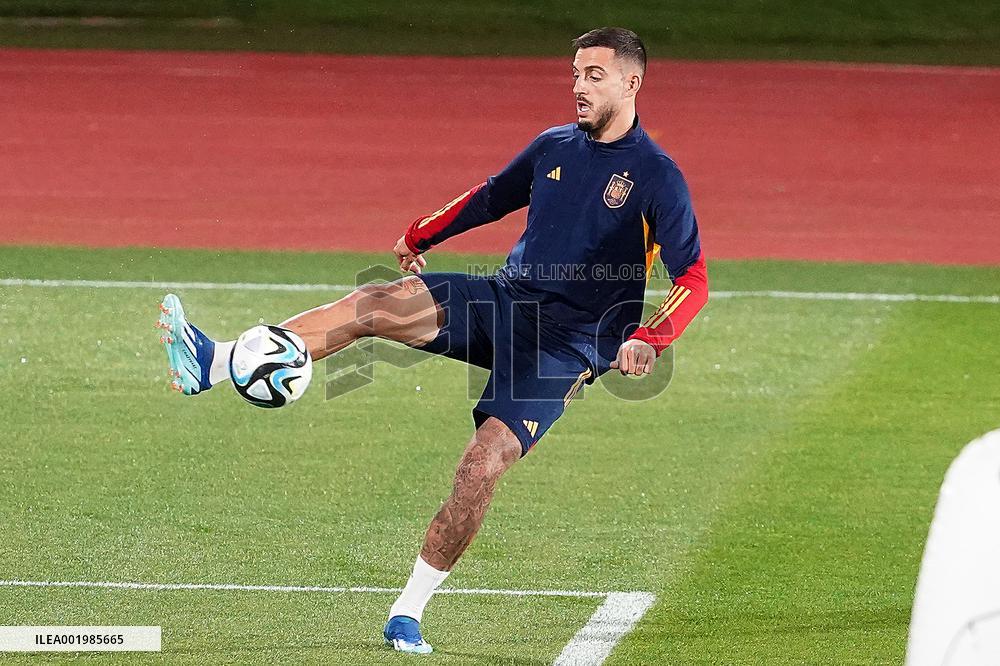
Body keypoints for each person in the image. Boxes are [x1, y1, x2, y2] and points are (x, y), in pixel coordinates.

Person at [156, 26, 708, 654]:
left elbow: (693, 275)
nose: (578, 87)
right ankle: (220, 360)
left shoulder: (657, 177)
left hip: (566, 347)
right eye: (575, 73)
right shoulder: (554, 145)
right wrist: (423, 235)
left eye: (594, 76)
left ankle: (407, 612)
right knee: (372, 304)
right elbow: (492, 197)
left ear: (632, 83)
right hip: (502, 301)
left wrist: (651, 337)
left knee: (481, 466)